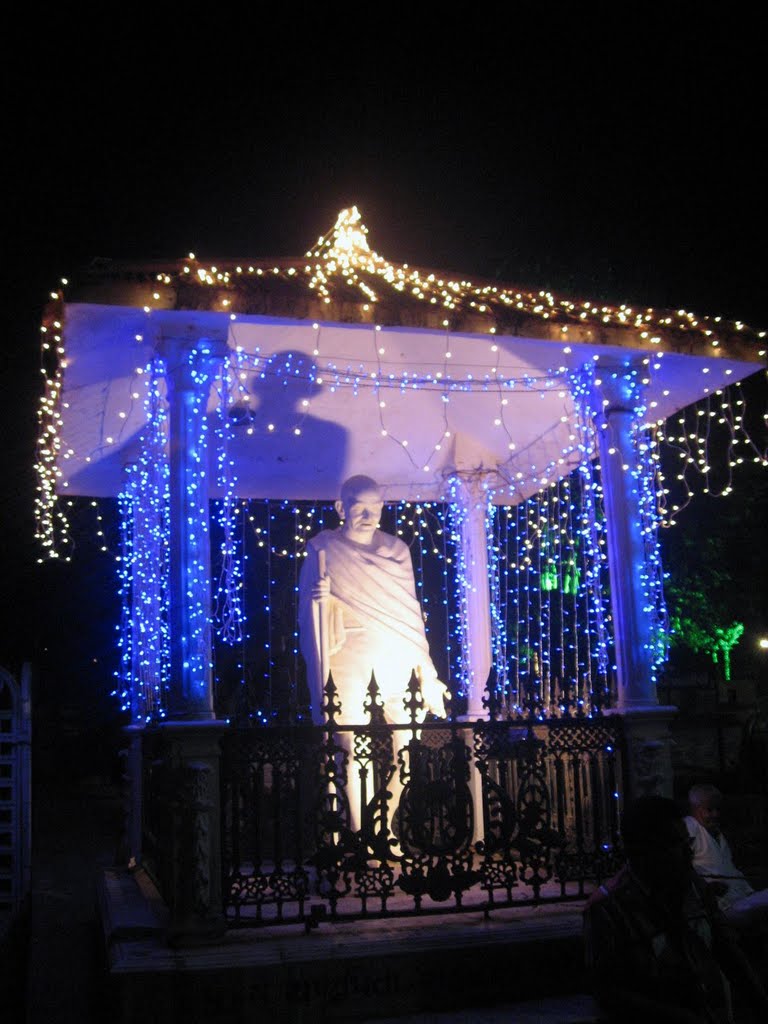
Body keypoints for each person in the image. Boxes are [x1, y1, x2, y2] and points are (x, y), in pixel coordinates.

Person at [298, 475, 448, 831]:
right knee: (352, 749)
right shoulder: (323, 549)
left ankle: (382, 825)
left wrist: (425, 668)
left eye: (376, 508)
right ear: (341, 508)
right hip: (349, 655)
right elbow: (307, 613)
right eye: (359, 507)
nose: (368, 515)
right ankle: (362, 833)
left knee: (409, 749)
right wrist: (318, 600)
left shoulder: (397, 550)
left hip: (399, 655)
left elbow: (409, 611)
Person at [584, 795, 767, 1023]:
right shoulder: (610, 911)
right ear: (641, 851)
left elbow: (727, 950)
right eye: (672, 844)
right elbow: (609, 992)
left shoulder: (694, 889)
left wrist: (759, 1003)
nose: (687, 853)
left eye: (686, 843)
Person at [685, 784, 768, 932]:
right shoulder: (690, 826)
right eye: (709, 810)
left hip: (742, 899)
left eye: (717, 809)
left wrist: (749, 891)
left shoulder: (718, 834)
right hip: (724, 907)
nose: (715, 814)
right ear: (695, 810)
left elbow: (730, 869)